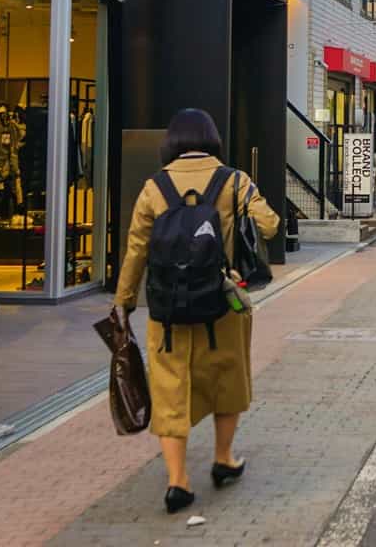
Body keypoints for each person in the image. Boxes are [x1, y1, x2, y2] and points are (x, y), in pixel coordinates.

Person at [115, 109, 280, 514]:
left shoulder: (154, 187)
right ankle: (223, 459)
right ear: (212, 140)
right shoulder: (234, 180)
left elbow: (136, 248)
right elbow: (271, 224)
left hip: (167, 307)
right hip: (222, 301)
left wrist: (124, 301)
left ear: (172, 142)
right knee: (227, 379)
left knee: (169, 388)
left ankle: (178, 482)